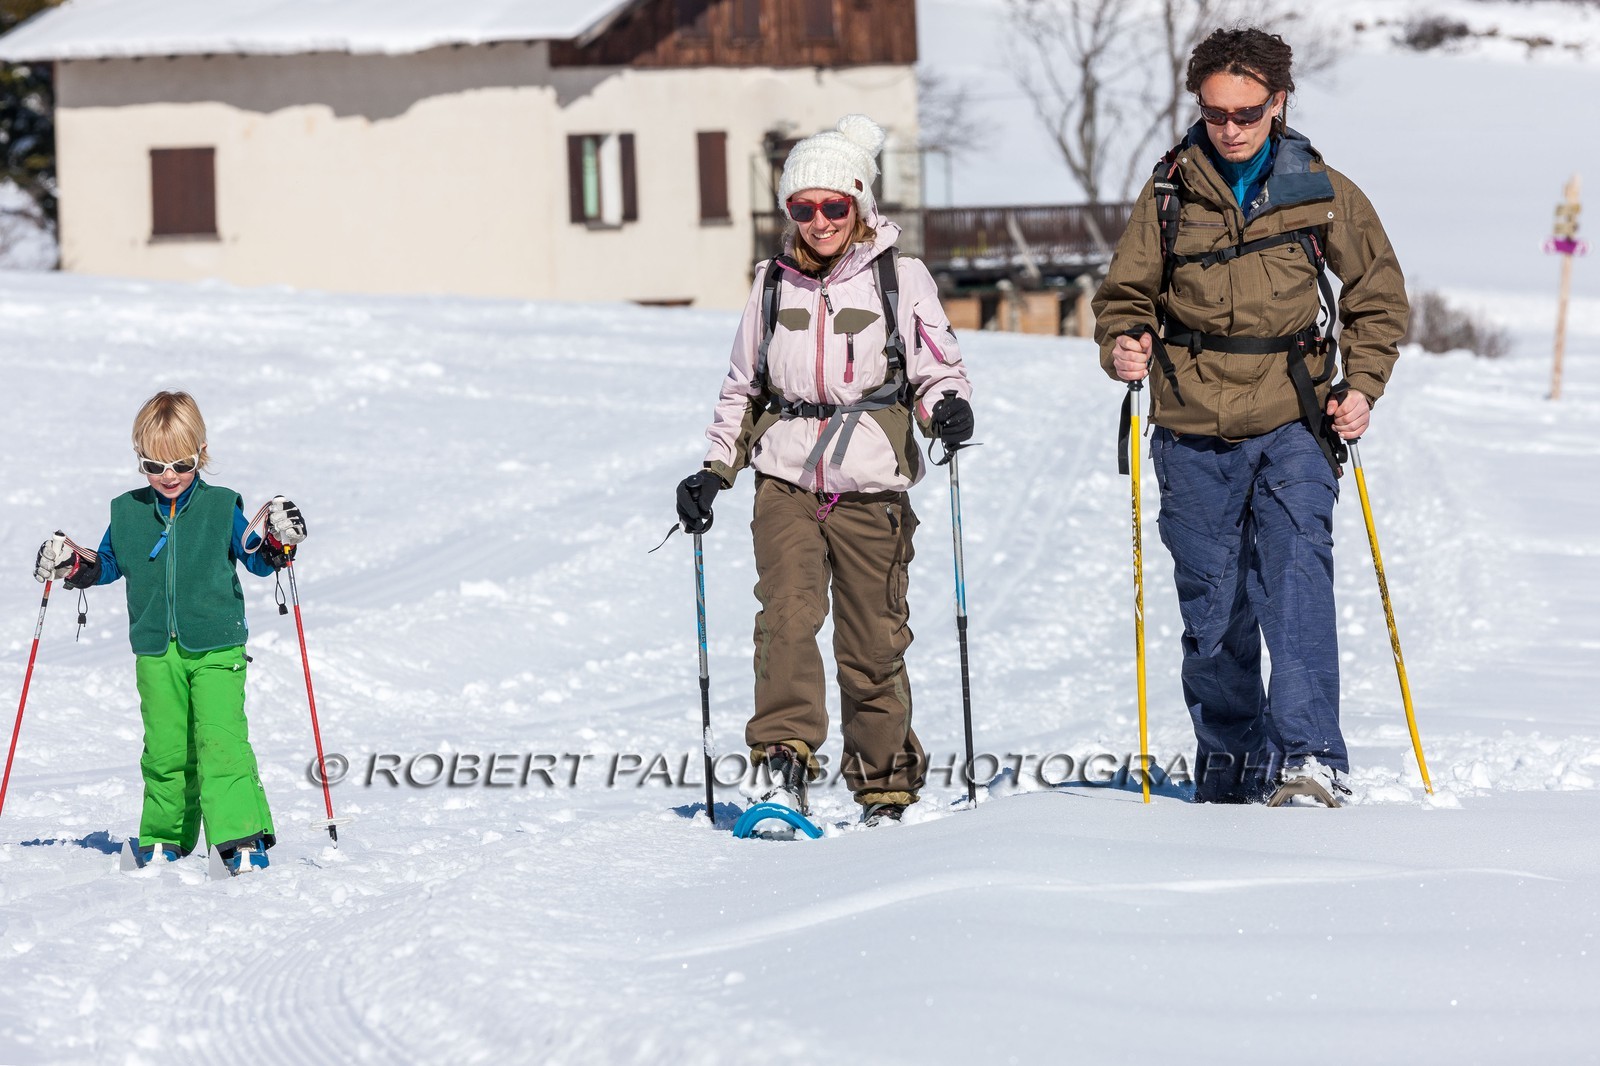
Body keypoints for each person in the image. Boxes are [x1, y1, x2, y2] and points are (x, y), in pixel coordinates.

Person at [1093, 28, 1408, 807]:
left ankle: (1310, 759)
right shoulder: (1168, 195)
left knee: (1297, 581)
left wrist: (1361, 384)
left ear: (1279, 103)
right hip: (1192, 427)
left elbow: (1377, 294)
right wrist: (1123, 344)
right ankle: (1232, 763)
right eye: (1215, 113)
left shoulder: (1322, 190)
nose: (1230, 129)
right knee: (1214, 608)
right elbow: (1124, 299)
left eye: (1247, 112)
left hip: (1293, 421)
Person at [676, 114, 974, 826]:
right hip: (784, 481)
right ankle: (783, 768)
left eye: (833, 205)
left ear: (861, 205)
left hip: (872, 483)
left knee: (871, 640)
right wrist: (715, 471)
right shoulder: (771, 284)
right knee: (785, 621)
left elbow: (938, 368)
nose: (818, 221)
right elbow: (741, 387)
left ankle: (885, 787)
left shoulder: (901, 277)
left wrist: (949, 408)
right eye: (802, 207)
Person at [34, 390, 309, 871]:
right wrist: (71, 564)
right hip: (155, 649)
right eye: (153, 465)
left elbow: (256, 559)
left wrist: (278, 544)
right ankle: (166, 837)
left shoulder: (222, 506)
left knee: (220, 740)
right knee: (164, 747)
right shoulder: (127, 511)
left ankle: (241, 836)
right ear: (139, 459)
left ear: (200, 455)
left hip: (217, 645)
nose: (168, 477)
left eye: (181, 465)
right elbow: (108, 564)